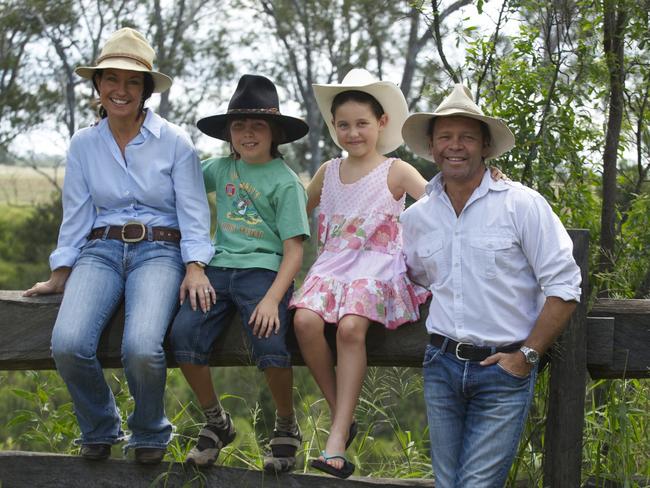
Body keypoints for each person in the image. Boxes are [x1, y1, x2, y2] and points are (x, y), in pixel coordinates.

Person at [23, 28, 214, 464]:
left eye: (132, 82)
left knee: (142, 347)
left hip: (160, 251)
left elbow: (193, 213)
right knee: (69, 343)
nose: (121, 90)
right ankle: (100, 427)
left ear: (146, 90)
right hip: (101, 250)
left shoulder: (175, 143)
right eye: (111, 79)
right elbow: (76, 213)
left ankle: (149, 432)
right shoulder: (84, 144)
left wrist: (196, 265)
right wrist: (60, 271)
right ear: (98, 86)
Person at [400, 84, 582, 487]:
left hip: (503, 369)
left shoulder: (521, 204)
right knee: (447, 484)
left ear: (485, 145)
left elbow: (565, 286)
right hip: (441, 365)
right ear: (431, 146)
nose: (455, 146)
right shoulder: (417, 218)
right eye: (445, 136)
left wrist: (526, 356)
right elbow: (412, 279)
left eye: (467, 136)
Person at [289, 68, 431, 479]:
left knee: (351, 328)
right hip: (332, 266)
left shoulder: (396, 170)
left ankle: (335, 442)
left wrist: (488, 180)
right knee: (304, 321)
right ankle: (341, 417)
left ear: (382, 122)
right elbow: (292, 211)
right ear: (334, 127)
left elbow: (440, 202)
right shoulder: (327, 172)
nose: (353, 133)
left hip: (377, 268)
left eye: (362, 124)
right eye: (344, 125)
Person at [169, 74, 311, 473]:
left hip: (264, 272)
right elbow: (176, 181)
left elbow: (294, 251)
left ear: (275, 133)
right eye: (239, 126)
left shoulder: (285, 183)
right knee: (182, 334)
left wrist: (271, 298)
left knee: (268, 339)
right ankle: (216, 422)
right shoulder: (220, 169)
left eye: (258, 125)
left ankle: (285, 425)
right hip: (217, 268)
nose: (247, 133)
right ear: (229, 133)